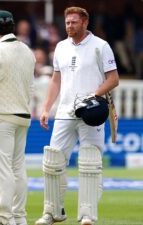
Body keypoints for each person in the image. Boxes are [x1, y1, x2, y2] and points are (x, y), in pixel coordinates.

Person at [35, 6, 119, 225]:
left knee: (90, 161)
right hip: (64, 112)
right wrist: (46, 108)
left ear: (85, 23)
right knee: (53, 160)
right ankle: (53, 212)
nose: (69, 26)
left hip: (91, 112)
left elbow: (113, 79)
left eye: (73, 22)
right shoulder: (61, 47)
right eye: (67, 22)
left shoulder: (101, 46)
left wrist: (92, 96)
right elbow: (56, 79)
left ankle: (87, 214)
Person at [0, 10, 35, 225]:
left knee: (3, 169)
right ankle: (19, 216)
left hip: (1, 116)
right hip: (22, 114)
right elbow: (30, 87)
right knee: (17, 168)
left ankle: (5, 217)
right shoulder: (27, 51)